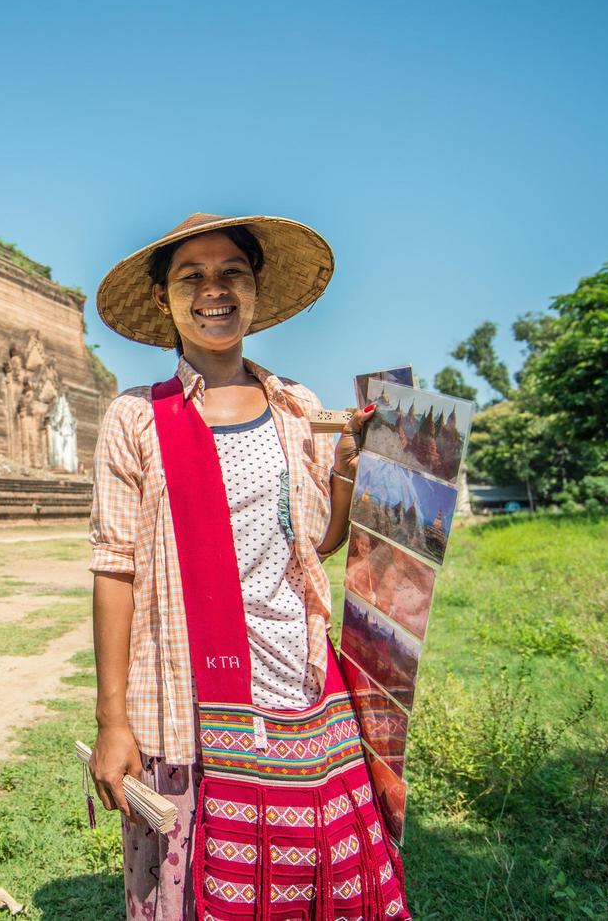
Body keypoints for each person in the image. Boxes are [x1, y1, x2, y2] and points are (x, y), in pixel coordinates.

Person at [86, 213, 410, 919]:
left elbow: (316, 541)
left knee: (320, 874)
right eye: (190, 277)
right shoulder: (136, 419)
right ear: (165, 297)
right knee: (193, 876)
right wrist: (113, 721)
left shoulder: (297, 408)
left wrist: (349, 471)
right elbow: (114, 568)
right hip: (188, 694)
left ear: (254, 290)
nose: (214, 291)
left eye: (231, 272)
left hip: (298, 678)